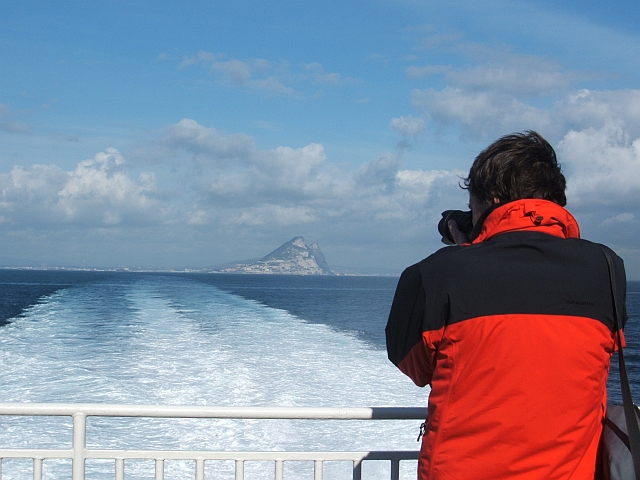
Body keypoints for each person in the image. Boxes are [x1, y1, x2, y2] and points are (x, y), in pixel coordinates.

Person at [386, 131, 627, 479]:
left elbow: (415, 367)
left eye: (472, 207)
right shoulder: (607, 267)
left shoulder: (434, 274)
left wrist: (466, 256)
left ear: (490, 199)